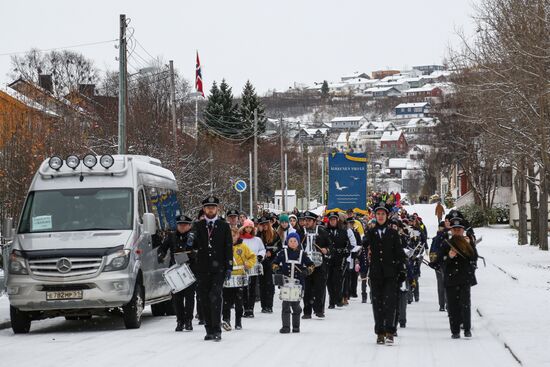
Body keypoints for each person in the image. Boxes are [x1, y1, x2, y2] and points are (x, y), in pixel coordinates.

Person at [362, 206, 406, 345]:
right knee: (377, 303)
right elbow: (364, 246)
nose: (380, 216)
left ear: (387, 216)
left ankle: (390, 332)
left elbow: (399, 253)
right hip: (376, 273)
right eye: (378, 214)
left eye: (383, 214)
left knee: (390, 303)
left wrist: (402, 270)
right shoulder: (371, 232)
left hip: (390, 273)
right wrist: (365, 241)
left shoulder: (393, 233)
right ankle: (380, 332)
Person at [192, 196, 233, 342]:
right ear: (204, 209)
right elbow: (193, 247)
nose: (210, 209)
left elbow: (228, 247)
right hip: (202, 268)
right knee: (203, 299)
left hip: (219, 269)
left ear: (217, 209)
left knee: (215, 297)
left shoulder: (224, 226)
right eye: (208, 207)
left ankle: (217, 329)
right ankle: (209, 329)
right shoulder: (198, 226)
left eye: (213, 207)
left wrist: (229, 266)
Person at [158, 215, 196, 332]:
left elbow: (202, 249)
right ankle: (180, 321)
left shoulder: (194, 236)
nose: (182, 227)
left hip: (190, 270)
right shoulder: (172, 236)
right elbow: (163, 248)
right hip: (175, 271)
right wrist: (161, 255)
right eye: (180, 225)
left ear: (189, 226)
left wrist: (195, 254)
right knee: (177, 298)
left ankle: (188, 321)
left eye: (185, 225)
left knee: (189, 297)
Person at [441, 218, 478, 339]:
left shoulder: (468, 242)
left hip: (464, 277)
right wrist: (449, 257)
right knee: (452, 306)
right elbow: (439, 262)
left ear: (463, 230)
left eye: (459, 229)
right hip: (451, 278)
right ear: (451, 230)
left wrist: (469, 245)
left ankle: (467, 329)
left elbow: (474, 258)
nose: (457, 231)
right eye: (455, 229)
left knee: (465, 304)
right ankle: (455, 331)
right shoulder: (446, 243)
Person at [272, 232, 315, 333]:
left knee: (295, 306)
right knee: (285, 306)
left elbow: (311, 265)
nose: (292, 243)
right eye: (290, 241)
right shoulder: (283, 253)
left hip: (298, 285)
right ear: (287, 242)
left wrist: (307, 271)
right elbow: (274, 263)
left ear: (298, 242)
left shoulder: (302, 254)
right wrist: (277, 269)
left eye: (295, 241)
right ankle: (286, 327)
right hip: (286, 284)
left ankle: (296, 327)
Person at [222, 228, 256, 331]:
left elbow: (252, 257)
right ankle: (226, 320)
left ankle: (238, 321)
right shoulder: (223, 247)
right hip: (227, 277)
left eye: (234, 235)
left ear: (238, 236)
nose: (232, 238)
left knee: (239, 301)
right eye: (230, 236)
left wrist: (248, 264)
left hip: (239, 276)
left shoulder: (243, 246)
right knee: (226, 301)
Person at [301, 211, 332, 319]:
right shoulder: (301, 232)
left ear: (314, 222)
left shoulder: (322, 231)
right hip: (307, 264)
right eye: (305, 220)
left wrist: (326, 250)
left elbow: (330, 245)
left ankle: (319, 310)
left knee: (320, 287)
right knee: (307, 288)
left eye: (309, 221)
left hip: (320, 263)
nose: (306, 222)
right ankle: (307, 311)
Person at [326, 211, 355, 309]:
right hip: (329, 258)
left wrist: (347, 250)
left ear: (337, 220)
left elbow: (351, 244)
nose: (332, 221)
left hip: (340, 257)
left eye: (334, 219)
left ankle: (338, 299)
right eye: (331, 220)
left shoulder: (343, 231)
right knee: (329, 280)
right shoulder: (326, 231)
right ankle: (331, 301)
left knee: (338, 279)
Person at [239, 219, 266, 318]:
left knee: (253, 287)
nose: (249, 229)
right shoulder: (240, 239)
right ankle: (245, 308)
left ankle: (251, 309)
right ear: (244, 228)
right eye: (247, 227)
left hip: (253, 265)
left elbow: (262, 249)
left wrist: (260, 256)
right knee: (244, 288)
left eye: (250, 227)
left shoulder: (257, 239)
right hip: (243, 265)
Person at [257, 216, 281, 313]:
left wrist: (271, 252)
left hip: (271, 261)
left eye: (266, 224)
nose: (264, 226)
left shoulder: (274, 234)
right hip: (261, 261)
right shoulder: (258, 235)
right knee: (262, 284)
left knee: (269, 284)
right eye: (262, 224)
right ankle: (263, 306)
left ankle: (269, 305)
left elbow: (279, 246)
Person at [429, 221, 448, 311]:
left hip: (446, 263)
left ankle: (446, 304)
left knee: (445, 285)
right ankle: (442, 304)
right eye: (440, 227)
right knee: (441, 285)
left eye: (442, 227)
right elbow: (432, 251)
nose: (441, 229)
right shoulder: (436, 238)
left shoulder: (447, 237)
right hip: (439, 264)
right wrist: (433, 262)